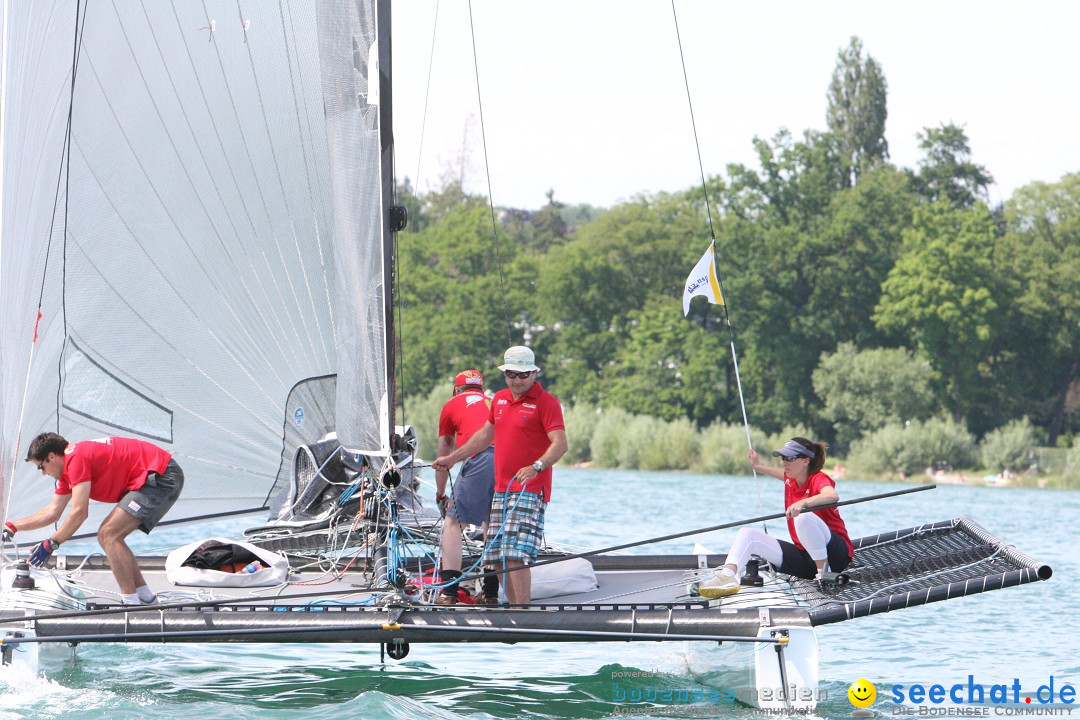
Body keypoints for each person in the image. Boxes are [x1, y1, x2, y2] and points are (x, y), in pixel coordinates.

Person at [433, 346, 567, 606]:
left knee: (515, 552)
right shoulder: (500, 399)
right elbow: (484, 437)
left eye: (523, 374)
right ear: (504, 374)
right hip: (501, 488)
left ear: (534, 373)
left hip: (528, 488)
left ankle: (521, 608)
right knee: (497, 553)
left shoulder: (547, 402)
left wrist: (536, 466)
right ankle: (508, 606)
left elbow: (560, 444)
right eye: (511, 374)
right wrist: (451, 459)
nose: (517, 380)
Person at [5, 433, 184, 605]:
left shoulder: (76, 460)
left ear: (51, 457)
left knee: (108, 534)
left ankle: (130, 604)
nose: (43, 473)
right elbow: (53, 511)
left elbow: (80, 512)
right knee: (112, 535)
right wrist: (13, 526)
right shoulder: (69, 467)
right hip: (154, 476)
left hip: (161, 474)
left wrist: (52, 544)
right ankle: (144, 597)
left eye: (41, 467)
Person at [698, 437, 853, 598]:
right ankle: (727, 576)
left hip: (836, 557)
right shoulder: (790, 479)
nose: (784, 462)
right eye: (783, 458)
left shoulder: (818, 478)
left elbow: (832, 495)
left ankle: (824, 573)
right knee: (747, 534)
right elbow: (779, 474)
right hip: (806, 561)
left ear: (806, 461)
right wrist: (757, 466)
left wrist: (803, 503)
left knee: (802, 518)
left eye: (790, 458)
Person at [433, 369, 498, 606]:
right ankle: (490, 593)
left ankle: (449, 591)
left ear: (456, 390)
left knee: (453, 523)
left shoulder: (452, 404)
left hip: (480, 457)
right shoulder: (493, 402)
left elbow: (444, 452)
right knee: (492, 522)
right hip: (508, 460)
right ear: (481, 389)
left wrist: (441, 494)